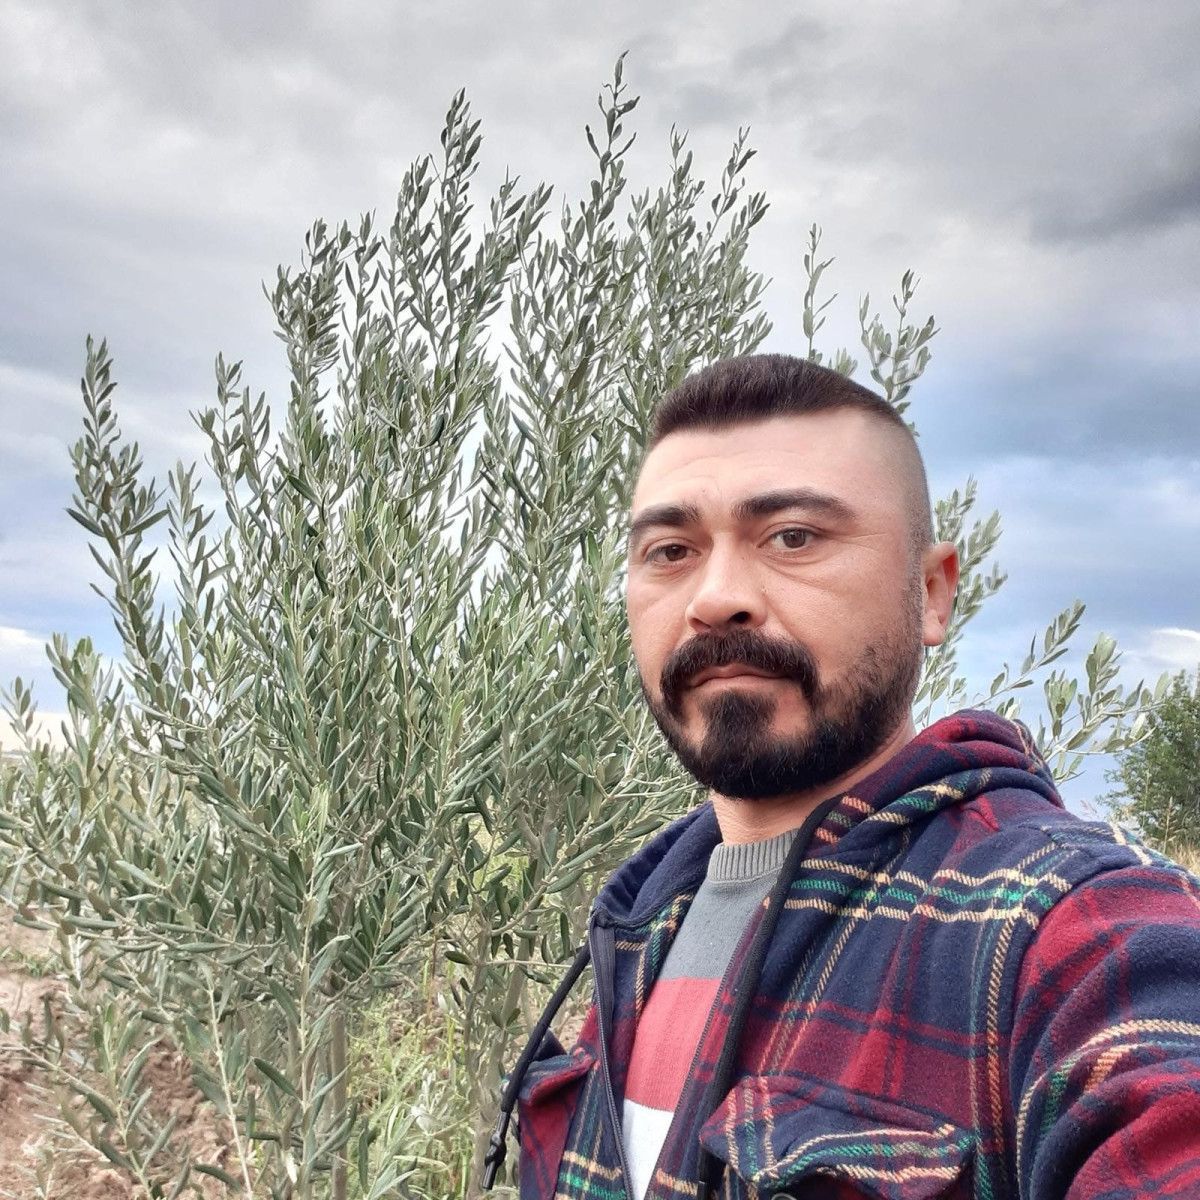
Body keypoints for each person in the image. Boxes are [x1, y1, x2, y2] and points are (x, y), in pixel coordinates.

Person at [483, 354, 1200, 1200]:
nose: (715, 598)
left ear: (931, 594)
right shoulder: (638, 920)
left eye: (793, 537)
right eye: (670, 551)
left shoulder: (1070, 926)